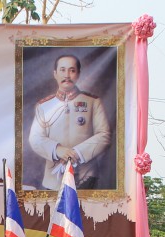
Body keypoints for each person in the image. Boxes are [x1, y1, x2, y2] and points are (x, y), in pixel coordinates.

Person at [28, 54, 111, 191]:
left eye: (72, 70)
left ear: (78, 74)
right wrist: (58, 150)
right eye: (62, 70)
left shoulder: (92, 102)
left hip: (86, 176)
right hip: (53, 180)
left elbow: (104, 135)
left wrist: (76, 153)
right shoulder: (43, 106)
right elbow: (35, 138)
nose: (67, 75)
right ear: (55, 73)